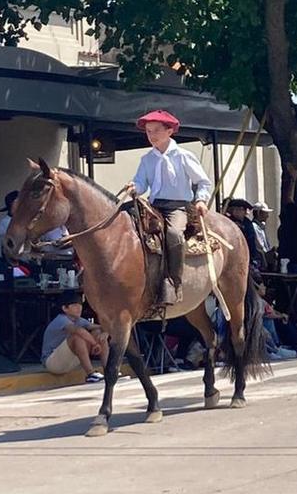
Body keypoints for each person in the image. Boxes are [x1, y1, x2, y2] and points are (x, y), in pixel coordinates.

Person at [125, 109, 213, 304]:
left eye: (156, 130)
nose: (152, 135)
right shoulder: (146, 159)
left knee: (173, 234)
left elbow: (203, 182)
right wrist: (134, 186)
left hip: (178, 207)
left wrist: (201, 200)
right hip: (154, 206)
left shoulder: (184, 156)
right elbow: (141, 183)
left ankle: (174, 283)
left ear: (169, 131)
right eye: (148, 131)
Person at [41, 290, 109, 380]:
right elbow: (78, 331)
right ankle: (90, 374)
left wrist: (106, 333)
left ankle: (109, 370)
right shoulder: (61, 319)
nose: (79, 308)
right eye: (74, 305)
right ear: (65, 308)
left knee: (97, 332)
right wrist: (94, 344)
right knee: (76, 337)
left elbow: (100, 327)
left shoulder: (79, 320)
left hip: (69, 361)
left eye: (80, 305)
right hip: (52, 362)